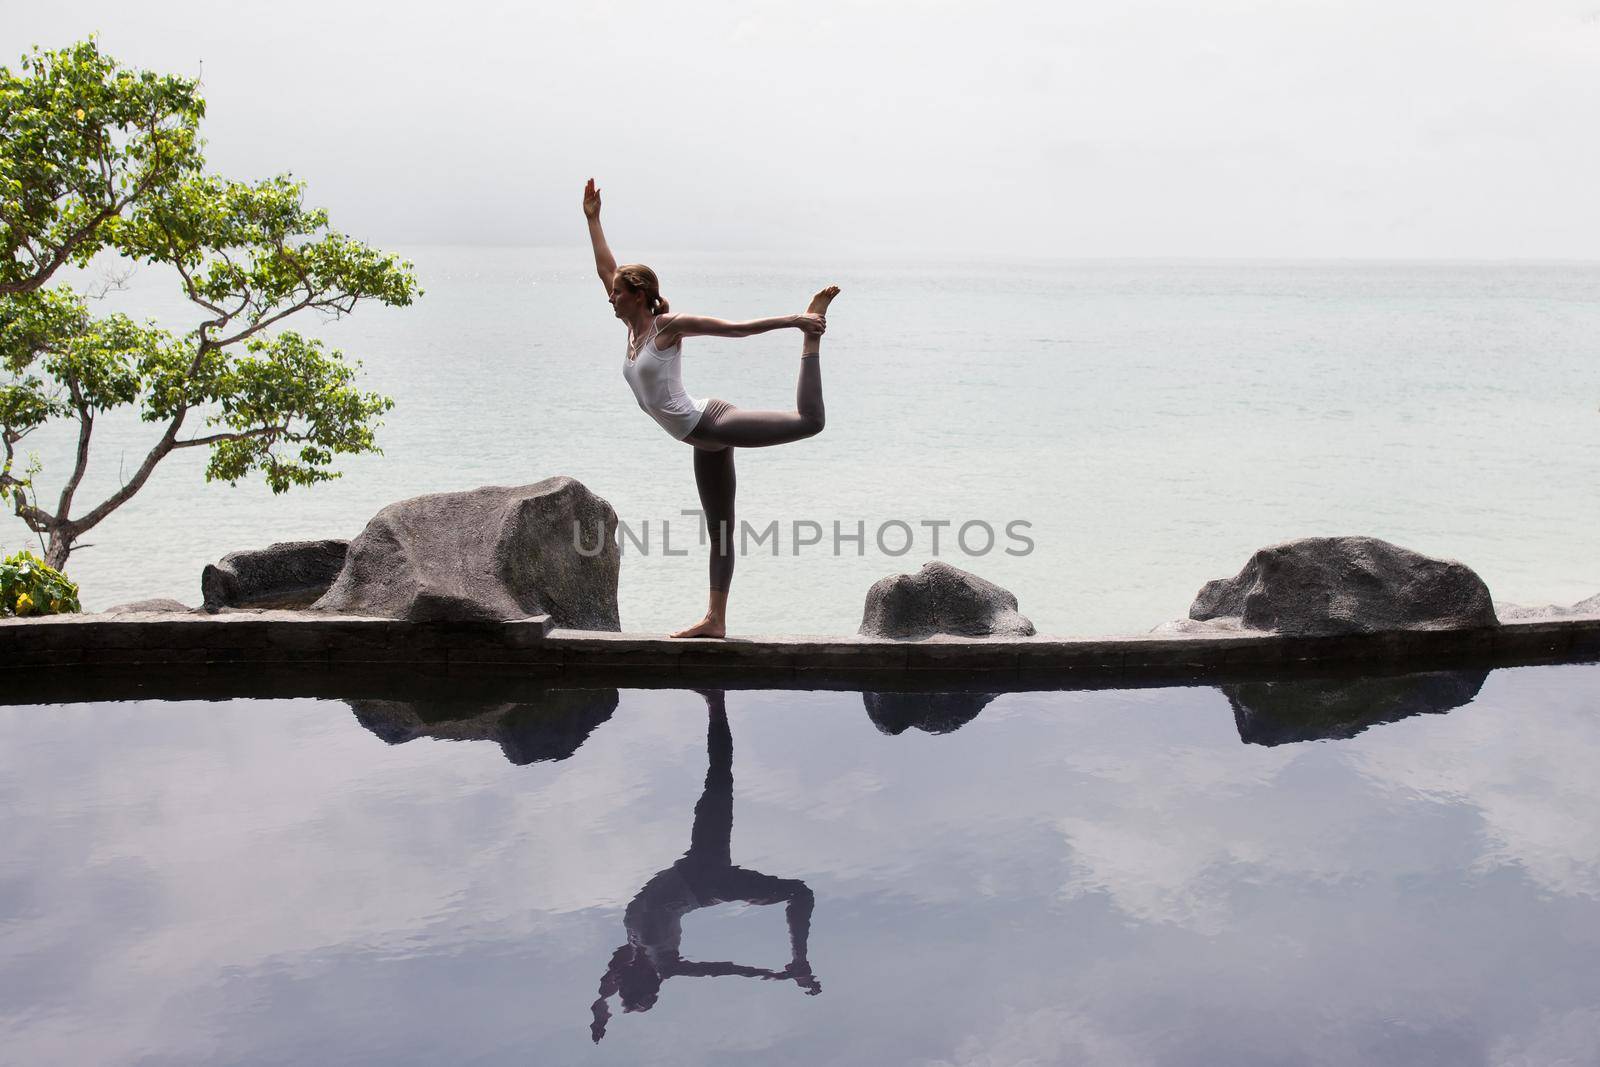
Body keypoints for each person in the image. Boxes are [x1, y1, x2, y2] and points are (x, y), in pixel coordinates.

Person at [583, 177, 839, 638]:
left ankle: (811, 341)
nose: (611, 295)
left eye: (618, 292)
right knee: (719, 530)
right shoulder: (632, 332)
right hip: (700, 441)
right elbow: (607, 268)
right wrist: (594, 219)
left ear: (639, 295)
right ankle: (715, 620)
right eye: (612, 291)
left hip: (711, 420)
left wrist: (793, 321)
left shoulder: (667, 327)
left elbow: (735, 329)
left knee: (810, 422)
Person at [589, 689, 820, 1043]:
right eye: (627, 984)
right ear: (647, 980)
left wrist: (600, 1006)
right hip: (707, 881)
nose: (618, 980)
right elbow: (719, 970)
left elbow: (612, 974)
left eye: (621, 984)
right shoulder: (661, 964)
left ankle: (716, 702)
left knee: (718, 778)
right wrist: (771, 974)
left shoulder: (633, 945)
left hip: (701, 870)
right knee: (720, 781)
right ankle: (799, 956)